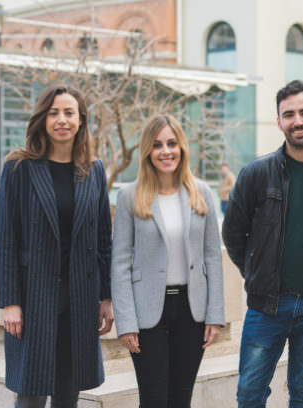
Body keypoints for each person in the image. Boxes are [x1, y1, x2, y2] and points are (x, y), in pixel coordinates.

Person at [222, 80, 303, 407]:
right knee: (250, 392)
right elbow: (233, 233)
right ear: (279, 121)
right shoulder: (256, 174)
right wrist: (255, 273)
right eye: (289, 114)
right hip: (267, 305)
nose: (298, 120)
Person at [0, 85, 114, 408]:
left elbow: (104, 238)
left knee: (68, 394)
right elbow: (7, 240)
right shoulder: (19, 169)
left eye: (69, 112)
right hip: (34, 299)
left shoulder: (93, 170)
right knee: (31, 395)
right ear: (43, 119)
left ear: (81, 120)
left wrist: (106, 297)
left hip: (79, 298)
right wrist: (11, 302)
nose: (61, 120)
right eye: (53, 113)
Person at [111, 114, 224, 407]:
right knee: (153, 400)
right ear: (147, 150)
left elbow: (213, 256)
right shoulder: (129, 196)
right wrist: (126, 322)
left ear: (182, 147)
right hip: (148, 313)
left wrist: (215, 315)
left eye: (172, 143)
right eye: (158, 145)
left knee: (180, 399)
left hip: (192, 310)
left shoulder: (203, 194)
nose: (166, 151)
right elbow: (120, 261)